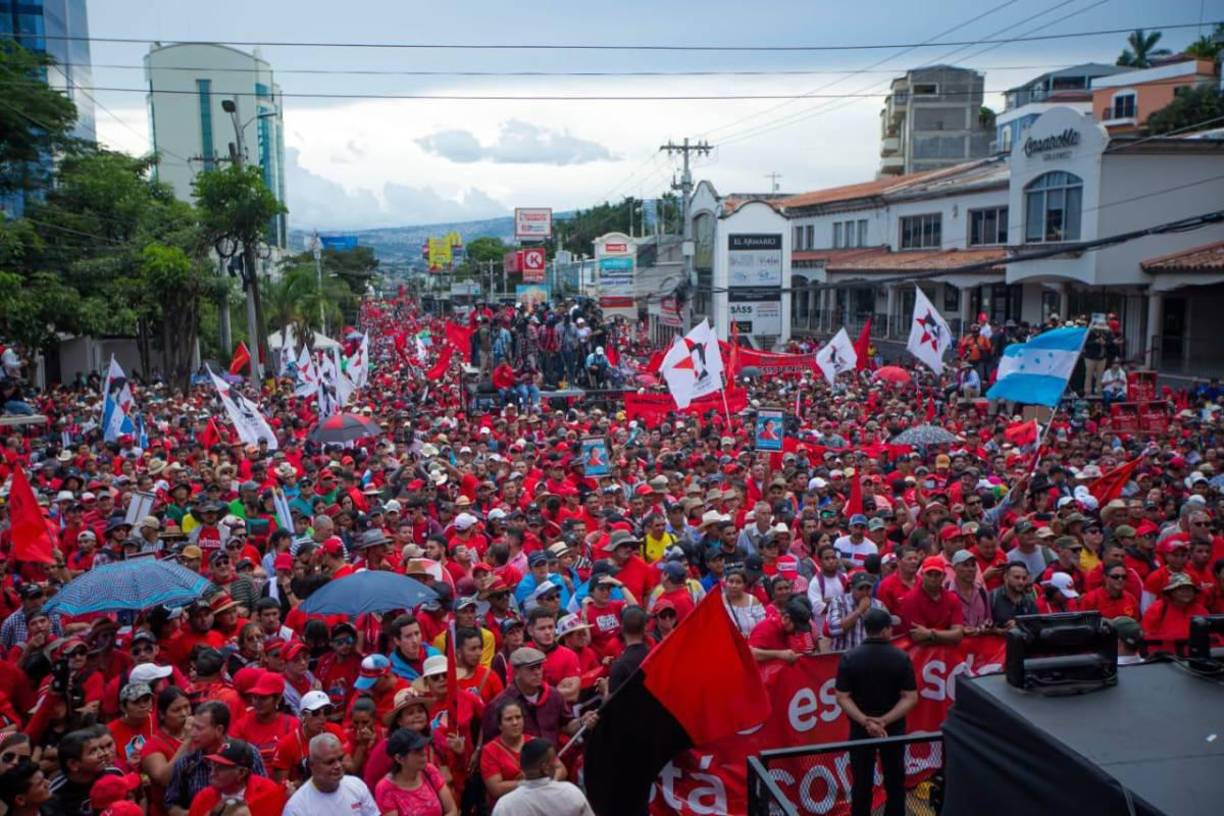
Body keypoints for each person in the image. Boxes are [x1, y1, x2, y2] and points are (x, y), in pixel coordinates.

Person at [834, 609, 917, 816]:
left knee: (861, 782)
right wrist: (884, 721)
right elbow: (910, 697)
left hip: (861, 729)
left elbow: (842, 696)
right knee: (895, 780)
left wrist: (866, 721)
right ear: (887, 630)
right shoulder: (901, 658)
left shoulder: (849, 658)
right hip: (893, 727)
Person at [489, 738, 593, 816]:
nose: (557, 764)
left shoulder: (506, 805)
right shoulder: (570, 792)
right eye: (554, 760)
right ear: (545, 767)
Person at [283, 733, 379, 816]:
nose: (338, 766)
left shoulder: (357, 785)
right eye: (330, 762)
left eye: (340, 759)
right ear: (312, 765)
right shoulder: (297, 807)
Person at [186, 738, 286, 816]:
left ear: (241, 772)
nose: (213, 772)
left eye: (220, 767)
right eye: (213, 765)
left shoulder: (268, 791)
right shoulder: (202, 798)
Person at [373, 728, 458, 816]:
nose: (424, 753)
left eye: (423, 748)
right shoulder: (385, 789)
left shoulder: (430, 771)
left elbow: (452, 809)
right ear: (399, 758)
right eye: (417, 750)